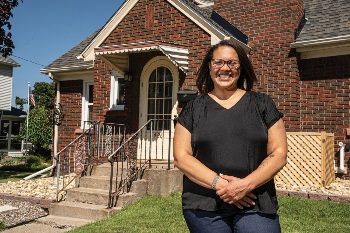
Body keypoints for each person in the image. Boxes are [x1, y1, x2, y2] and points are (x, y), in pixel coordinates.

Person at [173, 40, 287, 233]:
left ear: (240, 68)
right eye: (218, 62)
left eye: (232, 63)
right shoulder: (193, 109)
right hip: (204, 203)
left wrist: (245, 186)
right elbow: (181, 157)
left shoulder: (262, 104)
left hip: (255, 201)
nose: (225, 68)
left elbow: (279, 153)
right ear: (209, 66)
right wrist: (222, 185)